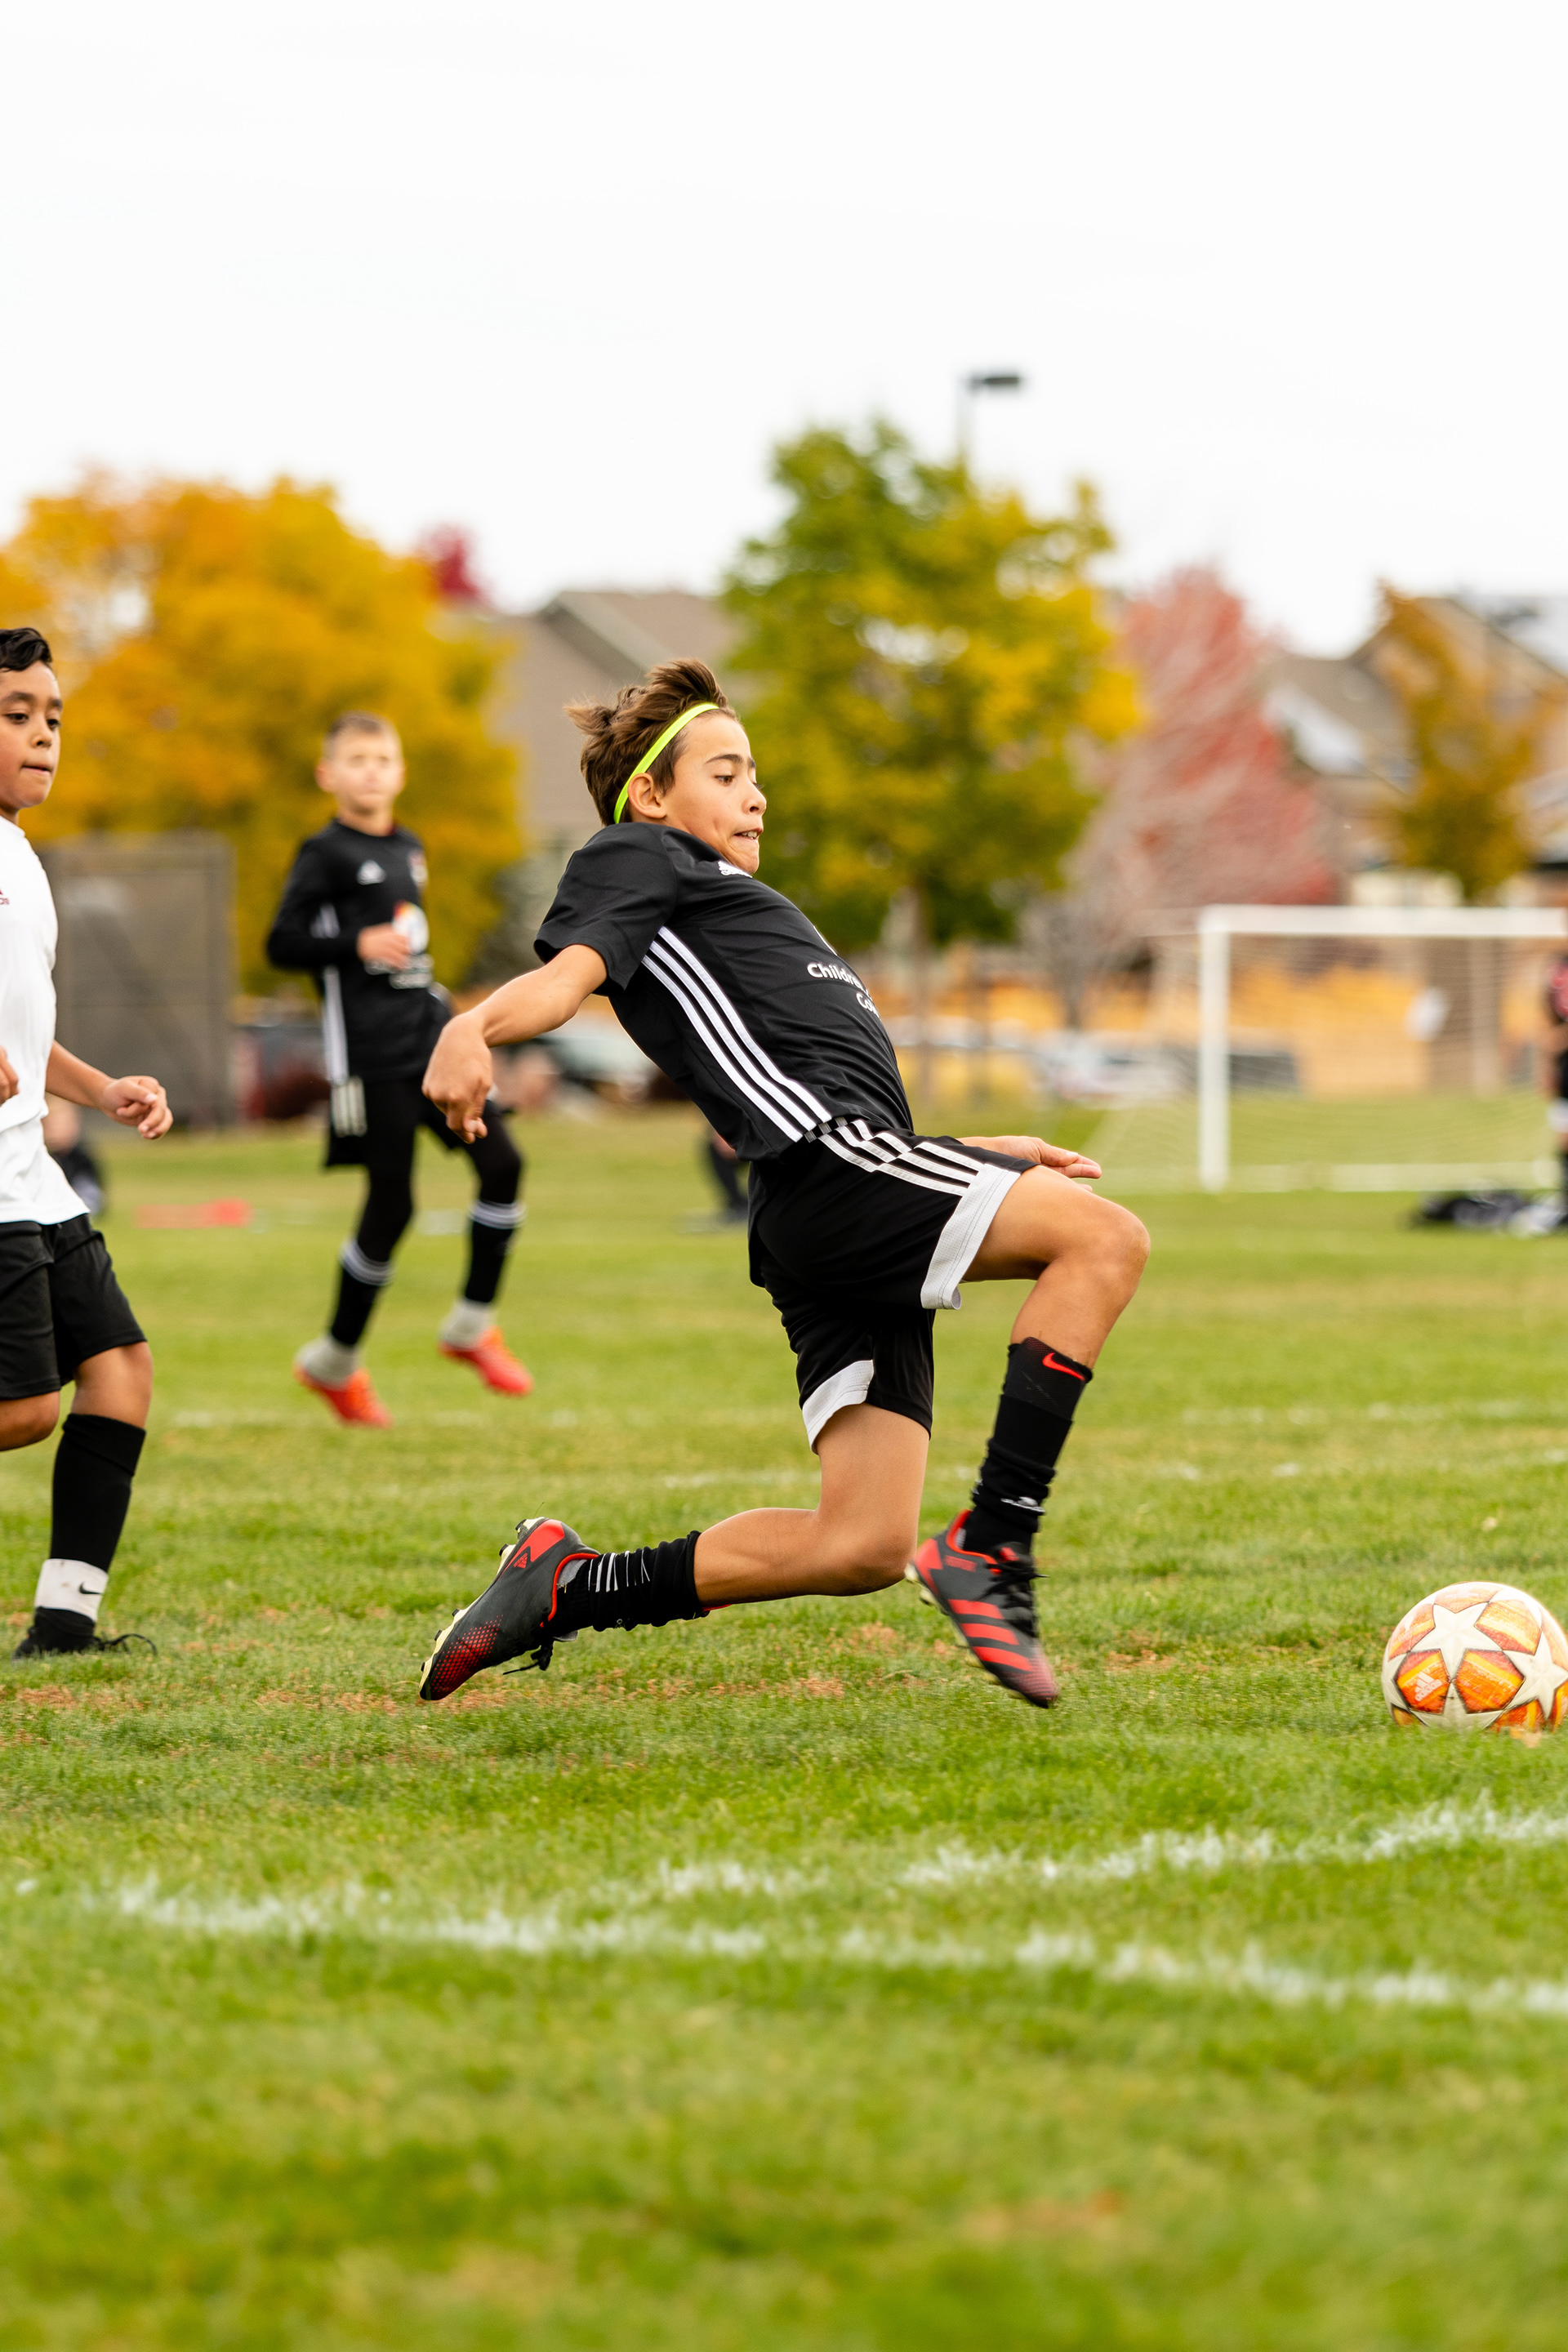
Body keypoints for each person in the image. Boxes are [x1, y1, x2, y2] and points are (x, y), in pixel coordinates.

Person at [416, 659, 1148, 1710]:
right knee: (1104, 1240)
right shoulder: (640, 855)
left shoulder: (730, 902)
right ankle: (993, 1546)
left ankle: (568, 1587)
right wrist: (473, 1024)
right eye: (725, 773)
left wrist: (978, 1150)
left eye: (754, 773)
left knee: (862, 1543)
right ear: (652, 795)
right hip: (828, 1173)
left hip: (837, 1182)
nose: (754, 794)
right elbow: (567, 978)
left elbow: (810, 1084)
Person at [267, 713, 530, 1426]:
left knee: (503, 1164)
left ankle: (472, 1326)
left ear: (401, 772)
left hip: (431, 1041)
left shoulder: (409, 846)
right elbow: (282, 942)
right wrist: (357, 943)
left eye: (382, 759)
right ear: (328, 775)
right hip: (372, 1057)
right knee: (393, 1206)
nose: (371, 771)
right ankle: (333, 1363)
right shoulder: (323, 852)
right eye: (356, 760)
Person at [0, 626, 172, 1660]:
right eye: (15, 715)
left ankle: (65, 1627)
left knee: (120, 1368)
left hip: (35, 1172)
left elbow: (26, 1030)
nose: (42, 736)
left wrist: (100, 1088)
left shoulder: (21, 856)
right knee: (22, 1412)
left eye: (53, 718)